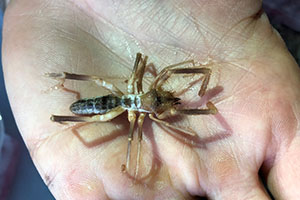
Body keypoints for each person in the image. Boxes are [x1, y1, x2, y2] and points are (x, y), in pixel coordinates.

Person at [2, 0, 300, 199]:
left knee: (102, 93)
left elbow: (158, 78)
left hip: (124, 99)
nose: (167, 101)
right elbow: (137, 139)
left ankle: (65, 93)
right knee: (94, 106)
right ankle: (64, 101)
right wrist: (133, 166)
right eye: (162, 101)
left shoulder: (149, 99)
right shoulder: (145, 112)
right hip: (118, 103)